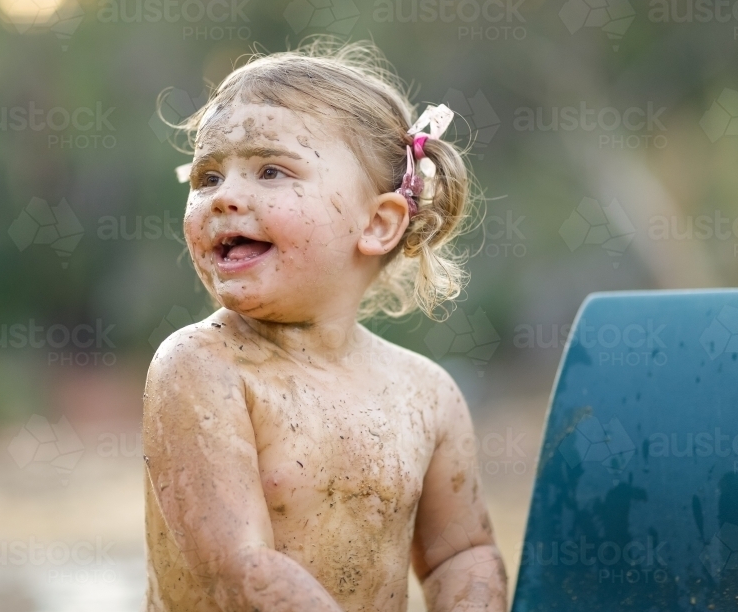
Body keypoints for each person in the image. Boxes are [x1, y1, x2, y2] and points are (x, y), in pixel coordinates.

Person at [142, 38, 506, 612]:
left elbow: (459, 554)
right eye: (208, 177)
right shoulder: (201, 368)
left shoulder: (427, 395)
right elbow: (239, 568)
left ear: (380, 223)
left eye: (270, 170)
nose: (225, 196)